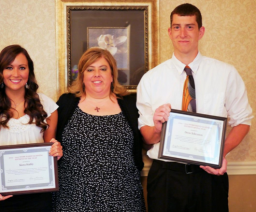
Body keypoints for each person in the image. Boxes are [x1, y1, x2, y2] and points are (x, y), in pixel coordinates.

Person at [137, 3, 253, 212]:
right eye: (177, 27)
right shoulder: (151, 79)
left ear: (201, 32)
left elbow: (243, 122)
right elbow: (147, 138)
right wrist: (156, 127)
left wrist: (219, 155)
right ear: (169, 32)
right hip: (166, 178)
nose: (183, 33)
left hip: (209, 177)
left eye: (190, 27)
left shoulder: (226, 74)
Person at [0, 45, 63, 212]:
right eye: (9, 67)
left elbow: (50, 149)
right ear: (0, 72)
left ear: (29, 71)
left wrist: (56, 151)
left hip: (38, 194)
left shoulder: (47, 106)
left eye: (22, 67)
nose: (16, 74)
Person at [53, 47, 146, 211]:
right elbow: (51, 141)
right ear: (82, 76)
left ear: (112, 75)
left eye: (103, 69)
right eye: (90, 69)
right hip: (73, 198)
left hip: (124, 198)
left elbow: (146, 141)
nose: (97, 74)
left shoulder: (131, 104)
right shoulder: (66, 103)